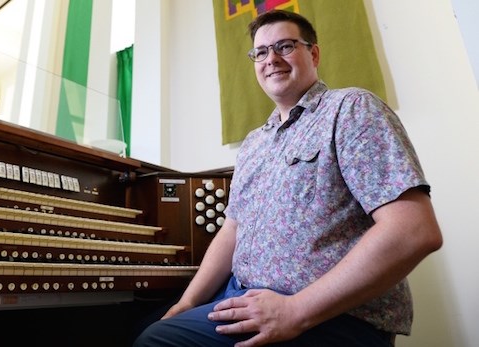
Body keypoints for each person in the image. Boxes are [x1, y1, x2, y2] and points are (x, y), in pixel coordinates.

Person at [133, 9, 443, 347]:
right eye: (261, 52)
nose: (271, 59)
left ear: (314, 53)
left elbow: (414, 230)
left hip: (331, 316)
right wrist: (188, 302)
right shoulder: (254, 143)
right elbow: (233, 230)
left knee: (156, 342)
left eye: (284, 46)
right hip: (245, 296)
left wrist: (295, 311)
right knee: (139, 320)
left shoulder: (350, 108)